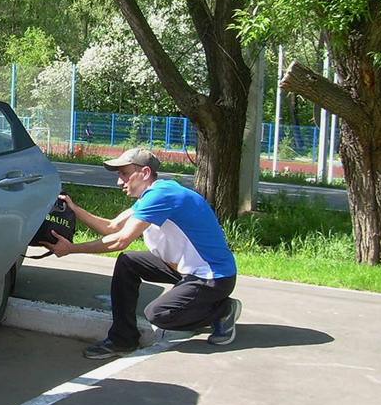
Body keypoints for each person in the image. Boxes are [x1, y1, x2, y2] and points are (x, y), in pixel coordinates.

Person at [43, 147, 241, 359]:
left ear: (145, 173)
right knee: (128, 262)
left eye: (125, 174)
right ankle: (123, 339)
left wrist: (71, 249)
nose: (120, 181)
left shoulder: (162, 196)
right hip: (185, 270)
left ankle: (222, 310)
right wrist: (73, 209)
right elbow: (112, 227)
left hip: (213, 277)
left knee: (159, 314)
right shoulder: (153, 196)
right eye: (119, 175)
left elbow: (120, 240)